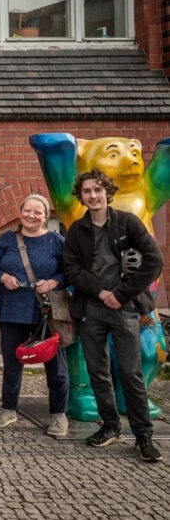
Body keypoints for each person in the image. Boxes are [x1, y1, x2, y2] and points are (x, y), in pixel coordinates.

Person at [63, 168, 165, 463]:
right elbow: (72, 270)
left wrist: (121, 294)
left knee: (131, 373)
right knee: (98, 372)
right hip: (91, 309)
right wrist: (101, 293)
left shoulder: (128, 222)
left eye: (97, 190)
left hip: (125, 309)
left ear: (108, 192)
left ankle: (143, 436)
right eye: (87, 191)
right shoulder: (76, 230)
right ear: (80, 196)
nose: (93, 196)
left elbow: (154, 261)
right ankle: (110, 427)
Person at [0, 194, 68, 436]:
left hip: (47, 312)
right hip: (12, 310)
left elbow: (69, 272)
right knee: (12, 364)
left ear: (45, 216)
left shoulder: (55, 240)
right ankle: (9, 408)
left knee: (56, 365)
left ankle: (59, 414)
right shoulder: (8, 239)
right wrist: (3, 277)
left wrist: (54, 282)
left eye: (37, 212)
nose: (31, 216)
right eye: (27, 211)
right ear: (20, 212)